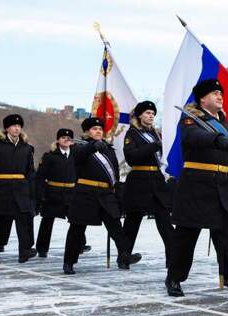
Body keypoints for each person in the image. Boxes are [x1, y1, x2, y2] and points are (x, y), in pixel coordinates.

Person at [166, 79, 228, 300]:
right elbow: (193, 137)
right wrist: (216, 139)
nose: (220, 97)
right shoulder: (191, 119)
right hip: (197, 184)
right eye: (215, 93)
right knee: (187, 235)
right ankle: (174, 278)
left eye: (221, 93)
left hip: (223, 184)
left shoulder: (223, 120)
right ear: (203, 99)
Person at [62, 117, 139, 274]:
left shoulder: (108, 149)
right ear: (87, 132)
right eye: (94, 129)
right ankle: (69, 261)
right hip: (85, 193)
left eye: (100, 129)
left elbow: (115, 174)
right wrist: (92, 146)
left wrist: (118, 195)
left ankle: (124, 255)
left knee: (116, 227)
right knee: (77, 229)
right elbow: (79, 156)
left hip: (105, 194)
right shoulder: (78, 147)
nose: (98, 131)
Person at [122, 101, 173, 267]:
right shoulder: (132, 134)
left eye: (153, 113)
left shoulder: (156, 134)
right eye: (147, 113)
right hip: (139, 179)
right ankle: (124, 256)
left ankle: (172, 258)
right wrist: (153, 146)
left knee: (164, 219)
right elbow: (132, 157)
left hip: (156, 179)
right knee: (133, 220)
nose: (151, 116)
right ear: (139, 115)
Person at [0, 114, 37, 263]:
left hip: (21, 190)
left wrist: (33, 192)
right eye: (14, 126)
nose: (17, 128)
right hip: (1, 190)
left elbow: (30, 172)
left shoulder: (26, 147)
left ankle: (24, 251)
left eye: (19, 126)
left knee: (24, 221)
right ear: (7, 128)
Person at [35, 128, 77, 257]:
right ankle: (42, 248)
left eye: (69, 137)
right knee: (47, 221)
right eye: (63, 137)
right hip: (53, 192)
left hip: (72, 192)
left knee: (77, 220)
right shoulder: (50, 156)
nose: (66, 139)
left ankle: (79, 244)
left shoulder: (76, 155)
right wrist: (40, 195)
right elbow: (40, 177)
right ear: (58, 140)